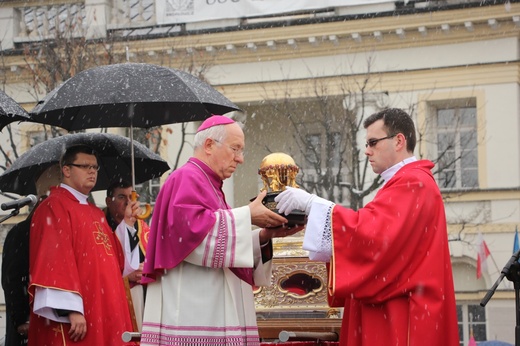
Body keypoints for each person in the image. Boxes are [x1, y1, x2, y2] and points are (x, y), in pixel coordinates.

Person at [275, 108, 460, 345]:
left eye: (373, 143)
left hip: (400, 316)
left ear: (399, 141)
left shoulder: (414, 182)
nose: (367, 151)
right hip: (395, 310)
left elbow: (373, 237)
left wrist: (314, 204)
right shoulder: (404, 182)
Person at [140, 115, 304, 345]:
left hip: (211, 303)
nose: (241, 159)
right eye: (235, 149)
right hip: (194, 310)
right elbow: (191, 236)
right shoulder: (186, 178)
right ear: (209, 145)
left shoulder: (210, 184)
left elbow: (220, 234)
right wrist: (248, 214)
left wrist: (264, 236)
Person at [28, 145, 141, 345]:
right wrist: (71, 309)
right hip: (81, 313)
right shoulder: (54, 206)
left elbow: (115, 259)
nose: (92, 171)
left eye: (95, 167)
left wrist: (128, 223)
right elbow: (54, 262)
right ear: (66, 170)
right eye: (85, 166)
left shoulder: (95, 212)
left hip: (103, 306)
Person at [1, 164, 60, 346]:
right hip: (29, 322)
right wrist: (21, 319)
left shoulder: (60, 229)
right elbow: (12, 278)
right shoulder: (22, 232)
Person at [105, 179, 150, 332]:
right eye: (121, 197)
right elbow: (100, 268)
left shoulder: (142, 227)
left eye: (130, 197)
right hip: (112, 300)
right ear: (108, 201)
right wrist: (124, 277)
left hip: (142, 299)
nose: (128, 202)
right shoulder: (100, 227)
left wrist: (146, 270)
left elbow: (156, 261)